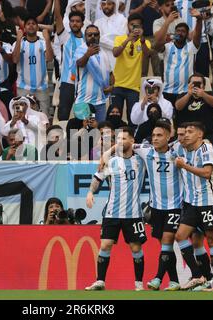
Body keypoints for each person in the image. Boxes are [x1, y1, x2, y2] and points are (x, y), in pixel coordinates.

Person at [85, 127, 147, 291]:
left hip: (133, 214)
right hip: (112, 212)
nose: (120, 142)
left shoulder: (141, 161)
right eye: (117, 139)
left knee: (136, 248)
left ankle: (138, 284)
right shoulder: (111, 162)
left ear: (132, 141)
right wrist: (91, 192)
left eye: (124, 139)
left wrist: (109, 150)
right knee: (105, 245)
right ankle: (100, 281)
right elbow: (98, 178)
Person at [131, 120, 182, 291]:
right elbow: (125, 143)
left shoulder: (177, 151)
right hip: (156, 208)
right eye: (153, 135)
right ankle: (174, 281)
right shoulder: (146, 151)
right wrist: (104, 157)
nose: (155, 138)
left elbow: (198, 141)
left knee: (167, 242)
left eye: (159, 135)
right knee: (165, 247)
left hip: (175, 206)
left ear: (169, 136)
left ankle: (158, 278)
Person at [174, 122, 213, 291]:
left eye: (190, 132)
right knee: (181, 236)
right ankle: (198, 276)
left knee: (212, 239)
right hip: (192, 203)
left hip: (209, 201)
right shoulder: (182, 149)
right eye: (184, 132)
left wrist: (184, 166)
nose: (186, 134)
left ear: (200, 135)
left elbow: (207, 173)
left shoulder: (206, 149)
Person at [153, 9, 203, 107]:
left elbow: (197, 35)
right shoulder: (167, 46)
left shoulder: (191, 47)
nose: (180, 33)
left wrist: (199, 20)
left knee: (183, 120)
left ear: (187, 34)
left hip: (186, 91)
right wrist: (167, 22)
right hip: (167, 91)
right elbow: (157, 44)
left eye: (183, 31)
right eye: (178, 31)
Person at [111, 13, 151, 125]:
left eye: (137, 25)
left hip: (134, 87)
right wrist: (128, 40)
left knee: (132, 117)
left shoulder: (145, 42)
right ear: (128, 25)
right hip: (118, 84)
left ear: (142, 28)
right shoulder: (120, 38)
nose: (134, 28)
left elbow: (147, 55)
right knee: (115, 115)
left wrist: (142, 40)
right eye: (132, 25)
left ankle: (131, 140)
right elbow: (115, 53)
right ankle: (115, 140)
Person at [12, 16, 53, 117]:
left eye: (33, 23)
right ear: (24, 28)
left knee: (44, 118)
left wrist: (48, 39)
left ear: (37, 27)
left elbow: (50, 58)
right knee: (21, 117)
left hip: (41, 86)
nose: (31, 25)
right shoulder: (19, 43)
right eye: (28, 24)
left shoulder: (43, 43)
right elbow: (15, 60)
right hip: (23, 86)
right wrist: (18, 39)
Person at [75, 24, 113, 122]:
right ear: (85, 37)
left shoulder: (104, 53)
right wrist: (88, 54)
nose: (93, 37)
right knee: (87, 133)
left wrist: (112, 86)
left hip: (101, 101)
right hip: (85, 102)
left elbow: (110, 73)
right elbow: (80, 63)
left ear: (99, 36)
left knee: (101, 133)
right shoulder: (81, 50)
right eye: (90, 35)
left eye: (95, 35)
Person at [54, 0, 85, 121]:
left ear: (82, 24)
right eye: (72, 21)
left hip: (82, 84)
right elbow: (57, 16)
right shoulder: (65, 37)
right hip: (67, 83)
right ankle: (62, 140)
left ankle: (79, 140)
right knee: (63, 116)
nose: (74, 24)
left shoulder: (86, 41)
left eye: (77, 21)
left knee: (82, 117)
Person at [174, 73, 213, 146]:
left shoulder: (209, 94)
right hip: (186, 134)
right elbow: (178, 107)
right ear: (188, 85)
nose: (196, 85)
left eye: (198, 83)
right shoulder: (183, 95)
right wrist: (188, 94)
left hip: (207, 135)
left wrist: (203, 94)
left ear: (204, 86)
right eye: (193, 83)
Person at [129, 0, 161, 76]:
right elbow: (131, 14)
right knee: (142, 69)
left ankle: (160, 85)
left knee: (158, 69)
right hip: (140, 37)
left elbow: (167, 14)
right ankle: (141, 85)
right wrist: (143, 5)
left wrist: (158, 8)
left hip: (156, 37)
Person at [94, 0, 128, 70]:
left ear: (115, 5)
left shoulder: (122, 20)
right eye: (103, 4)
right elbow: (98, 40)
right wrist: (117, 45)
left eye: (109, 4)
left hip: (119, 58)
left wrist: (104, 39)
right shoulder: (97, 23)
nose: (106, 6)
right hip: (103, 59)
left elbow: (123, 39)